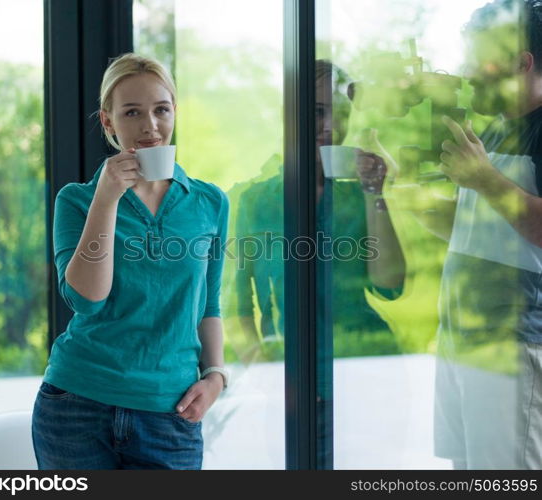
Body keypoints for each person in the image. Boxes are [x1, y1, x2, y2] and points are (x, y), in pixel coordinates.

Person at [31, 53, 230, 470]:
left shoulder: (209, 202)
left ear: (175, 111)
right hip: (76, 406)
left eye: (161, 109)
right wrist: (106, 197)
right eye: (132, 112)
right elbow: (87, 298)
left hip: (169, 413)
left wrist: (215, 376)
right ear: (108, 122)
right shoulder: (77, 200)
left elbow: (207, 305)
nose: (149, 126)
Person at [232, 60, 406, 466]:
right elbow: (238, 306)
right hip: (289, 390)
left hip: (365, 376)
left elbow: (390, 284)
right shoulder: (257, 201)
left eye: (339, 114)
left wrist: (373, 194)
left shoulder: (354, 197)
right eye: (315, 113)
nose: (329, 127)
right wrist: (272, 379)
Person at [418, 0, 542, 469]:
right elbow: (476, 226)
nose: (467, 69)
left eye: (479, 56)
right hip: (460, 337)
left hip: (513, 345)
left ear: (520, 62)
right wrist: (397, 192)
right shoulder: (494, 131)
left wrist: (485, 179)